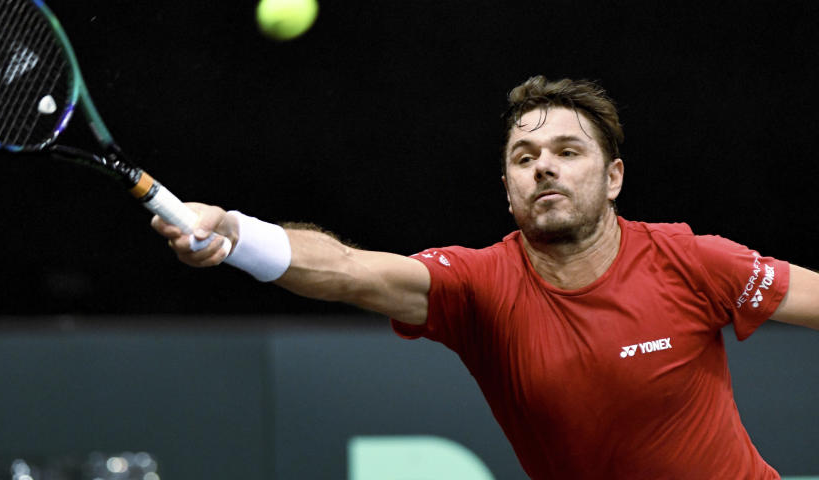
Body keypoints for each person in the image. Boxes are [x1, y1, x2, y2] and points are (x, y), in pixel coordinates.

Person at [151, 75, 819, 480]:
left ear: (613, 178)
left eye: (567, 151)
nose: (544, 167)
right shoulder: (481, 287)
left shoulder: (689, 260)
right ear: (508, 191)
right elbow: (350, 272)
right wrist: (237, 234)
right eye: (525, 158)